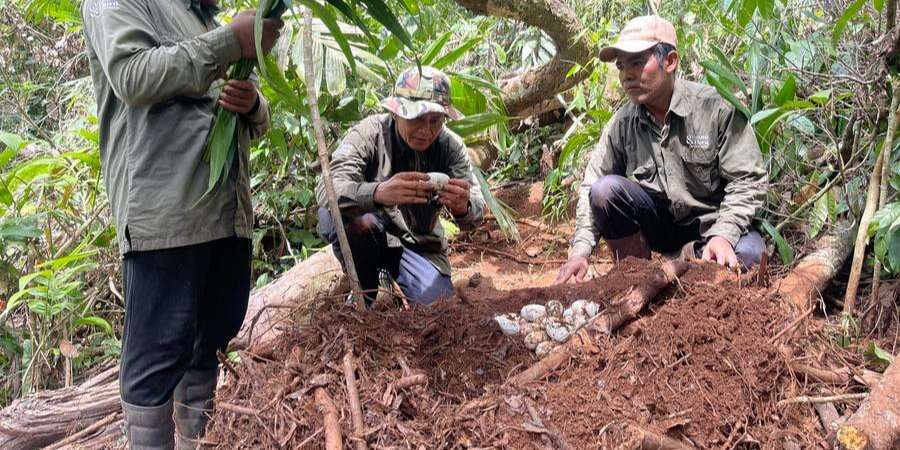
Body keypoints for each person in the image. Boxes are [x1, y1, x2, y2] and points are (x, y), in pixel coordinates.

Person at [81, 0, 282, 447]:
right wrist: (231, 41)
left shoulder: (205, 18)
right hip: (166, 216)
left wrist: (252, 106)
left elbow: (255, 120)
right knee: (156, 362)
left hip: (227, 216)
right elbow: (132, 77)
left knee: (208, 340)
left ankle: (196, 440)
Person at [556, 15, 767, 284]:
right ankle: (637, 278)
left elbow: (747, 180)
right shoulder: (623, 123)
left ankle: (685, 264)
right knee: (604, 191)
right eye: (621, 67)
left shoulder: (715, 110)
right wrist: (580, 251)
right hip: (660, 227)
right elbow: (592, 185)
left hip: (712, 225)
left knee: (749, 256)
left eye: (637, 62)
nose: (626, 75)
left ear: (670, 61)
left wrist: (724, 234)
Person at [316, 66, 485, 305]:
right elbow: (327, 189)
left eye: (435, 120)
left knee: (439, 307)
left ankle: (395, 283)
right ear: (396, 113)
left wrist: (463, 207)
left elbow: (477, 210)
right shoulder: (370, 134)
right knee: (336, 215)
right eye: (416, 118)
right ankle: (365, 287)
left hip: (418, 246)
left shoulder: (450, 146)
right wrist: (377, 193)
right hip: (370, 231)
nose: (426, 130)